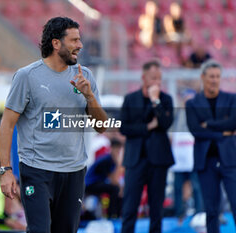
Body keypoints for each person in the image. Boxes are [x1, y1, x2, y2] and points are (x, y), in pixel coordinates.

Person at [0, 17, 107, 233]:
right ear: (56, 43)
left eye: (80, 39)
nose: (80, 45)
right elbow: (7, 124)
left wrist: (89, 97)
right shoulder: (27, 76)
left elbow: (101, 126)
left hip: (74, 171)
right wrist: (6, 171)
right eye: (74, 40)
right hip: (37, 170)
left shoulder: (85, 77)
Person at [186, 60, 236, 233]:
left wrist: (209, 124)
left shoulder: (232, 98)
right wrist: (223, 131)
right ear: (203, 77)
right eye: (211, 76)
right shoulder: (192, 104)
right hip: (206, 163)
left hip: (230, 161)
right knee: (211, 210)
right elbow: (196, 131)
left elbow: (235, 121)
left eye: (217, 76)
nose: (214, 80)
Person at [119, 60, 174, 233]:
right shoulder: (130, 98)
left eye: (159, 78)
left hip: (158, 161)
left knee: (156, 208)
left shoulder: (165, 99)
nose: (157, 82)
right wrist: (147, 127)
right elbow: (123, 127)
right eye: (153, 78)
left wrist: (155, 101)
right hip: (135, 160)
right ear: (143, 77)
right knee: (130, 207)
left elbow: (165, 124)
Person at [171, 89, 203, 223]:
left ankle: (200, 215)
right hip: (178, 160)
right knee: (177, 189)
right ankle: (179, 216)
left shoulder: (198, 115)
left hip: (192, 159)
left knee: (196, 188)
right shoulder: (177, 115)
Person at [85, 138, 124, 219]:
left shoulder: (110, 159)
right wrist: (118, 163)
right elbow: (113, 180)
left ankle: (118, 214)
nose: (118, 152)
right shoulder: (106, 160)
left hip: (97, 183)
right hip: (89, 184)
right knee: (115, 189)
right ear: (112, 148)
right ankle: (112, 215)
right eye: (116, 150)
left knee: (118, 189)